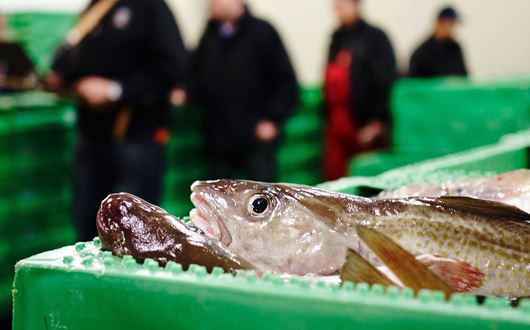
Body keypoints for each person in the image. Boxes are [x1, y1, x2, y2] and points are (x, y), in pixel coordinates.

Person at [48, 0, 188, 241]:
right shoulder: (95, 9)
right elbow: (69, 61)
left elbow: (173, 71)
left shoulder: (151, 8)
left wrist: (116, 90)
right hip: (91, 137)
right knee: (87, 224)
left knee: (139, 230)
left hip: (136, 136)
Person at [191, 0, 299, 182]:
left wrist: (272, 119)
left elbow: (286, 82)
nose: (211, 4)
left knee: (261, 195)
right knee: (218, 198)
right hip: (219, 140)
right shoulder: (209, 37)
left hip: (256, 136)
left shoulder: (262, 32)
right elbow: (197, 78)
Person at [324, 0, 396, 181]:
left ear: (356, 5)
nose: (338, 12)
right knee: (336, 178)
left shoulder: (376, 37)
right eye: (336, 7)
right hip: (337, 125)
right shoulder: (336, 39)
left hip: (363, 127)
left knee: (366, 179)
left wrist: (377, 121)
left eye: (342, 6)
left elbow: (386, 79)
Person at [409, 6, 468, 78]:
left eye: (453, 24)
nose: (452, 29)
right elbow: (413, 81)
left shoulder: (455, 49)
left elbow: (464, 76)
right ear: (439, 22)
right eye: (450, 23)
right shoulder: (422, 52)